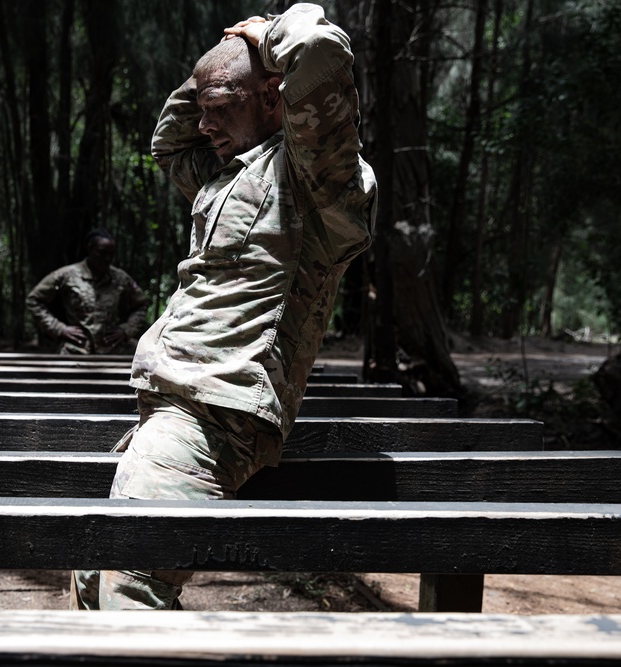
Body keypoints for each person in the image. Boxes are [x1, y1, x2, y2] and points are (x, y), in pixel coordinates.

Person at [71, 3, 377, 610]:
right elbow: (167, 142)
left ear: (273, 97)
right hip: (174, 406)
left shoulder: (316, 180)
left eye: (222, 108)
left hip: (215, 415)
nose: (205, 125)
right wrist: (214, 76)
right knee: (92, 578)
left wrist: (263, 37)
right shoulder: (226, 173)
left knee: (128, 582)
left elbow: (318, 49)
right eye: (203, 110)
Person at [26, 228, 149, 355]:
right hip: (76, 349)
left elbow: (141, 304)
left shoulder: (120, 278)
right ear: (90, 250)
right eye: (102, 253)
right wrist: (59, 328)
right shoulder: (67, 275)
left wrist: (126, 330)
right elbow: (34, 299)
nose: (107, 258)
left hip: (112, 349)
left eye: (111, 254)